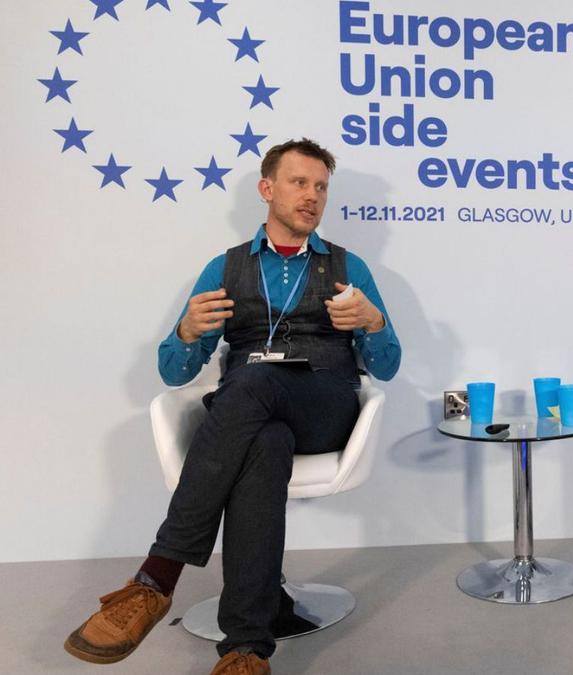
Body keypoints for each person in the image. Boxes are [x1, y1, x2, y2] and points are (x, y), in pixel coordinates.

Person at [64, 139, 401, 674]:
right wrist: (185, 332)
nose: (312, 196)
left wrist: (374, 324)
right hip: (252, 418)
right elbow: (174, 372)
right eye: (299, 182)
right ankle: (246, 649)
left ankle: (156, 578)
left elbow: (386, 367)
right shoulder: (222, 269)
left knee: (251, 381)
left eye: (320, 187)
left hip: (325, 405)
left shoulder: (347, 266)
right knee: (264, 441)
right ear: (267, 189)